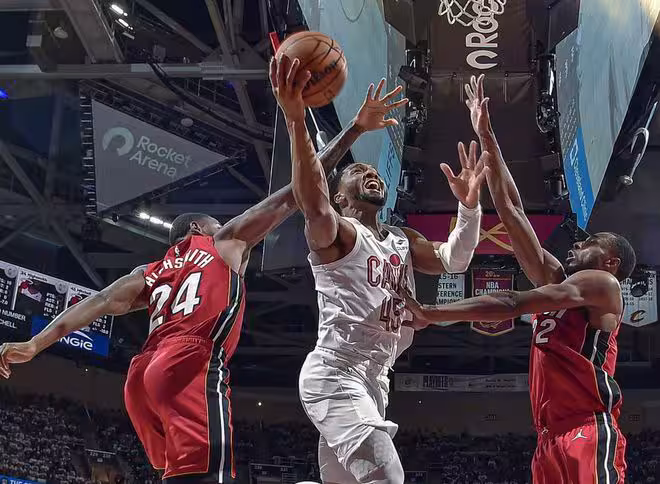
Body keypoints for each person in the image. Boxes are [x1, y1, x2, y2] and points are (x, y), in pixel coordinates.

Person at [0, 73, 406, 484]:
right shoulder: (223, 242)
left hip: (141, 376)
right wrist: (353, 129)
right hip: (188, 363)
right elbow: (299, 191)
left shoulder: (150, 272)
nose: (220, 226)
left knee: (176, 475)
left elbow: (97, 303)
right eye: (214, 223)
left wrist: (35, 344)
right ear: (198, 228)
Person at [398, 75, 635, 484]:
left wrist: (431, 313)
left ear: (610, 262)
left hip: (586, 428)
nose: (579, 243)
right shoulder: (558, 277)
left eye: (590, 243)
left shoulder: (601, 286)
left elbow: (513, 303)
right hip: (547, 438)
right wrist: (487, 135)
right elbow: (510, 210)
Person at [271, 55, 486, 484]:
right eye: (358, 171)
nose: (371, 172)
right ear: (340, 198)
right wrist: (297, 121)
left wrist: (468, 208)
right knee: (388, 476)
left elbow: (454, 261)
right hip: (336, 372)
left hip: (376, 379)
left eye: (372, 170)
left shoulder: (402, 239)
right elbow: (311, 197)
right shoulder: (338, 233)